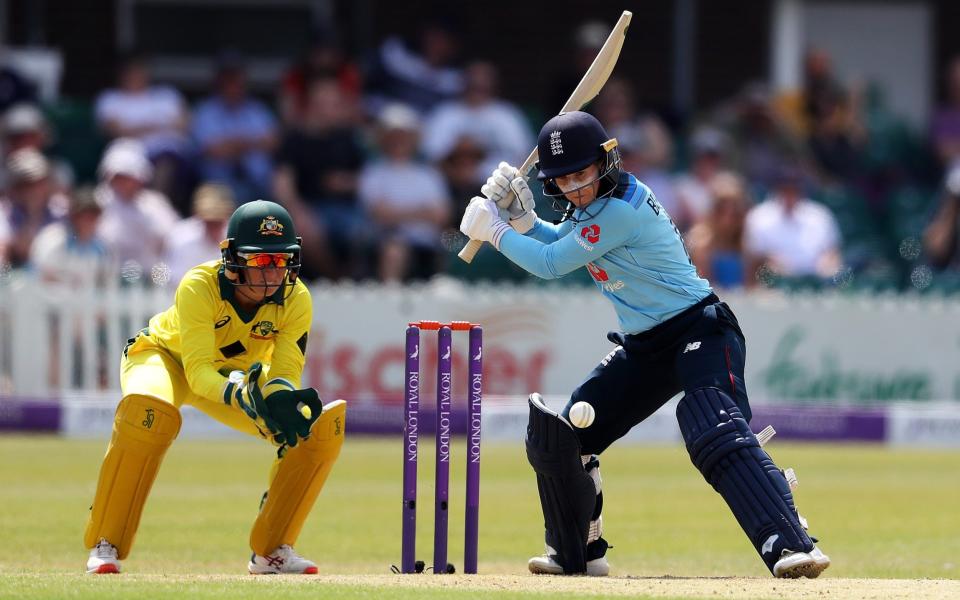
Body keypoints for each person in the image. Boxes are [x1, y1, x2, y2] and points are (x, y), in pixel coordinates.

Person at [459, 111, 830, 578]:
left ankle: (789, 541)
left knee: (709, 424)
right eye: (563, 180)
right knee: (564, 437)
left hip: (700, 329)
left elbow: (553, 262)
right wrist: (524, 218)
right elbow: (560, 240)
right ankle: (577, 553)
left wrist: (495, 232)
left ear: (604, 162)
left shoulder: (621, 208)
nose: (574, 187)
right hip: (646, 346)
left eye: (582, 174)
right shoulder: (593, 208)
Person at [83, 200, 346, 575]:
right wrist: (241, 393)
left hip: (238, 376)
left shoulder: (296, 297)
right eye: (260, 261)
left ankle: (272, 551)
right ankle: (104, 543)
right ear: (233, 258)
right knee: (148, 414)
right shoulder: (199, 285)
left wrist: (281, 399)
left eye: (281, 261)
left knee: (309, 435)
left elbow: (286, 370)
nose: (272, 274)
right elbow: (198, 372)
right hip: (165, 358)